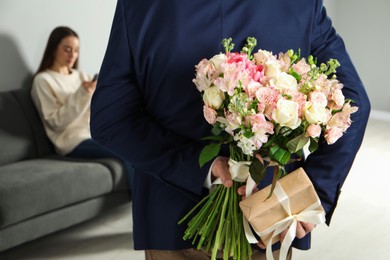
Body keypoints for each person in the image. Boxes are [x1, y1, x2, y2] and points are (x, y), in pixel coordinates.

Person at [90, 1, 371, 259]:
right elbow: (353, 102)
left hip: (171, 218)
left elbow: (110, 119)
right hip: (270, 213)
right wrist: (313, 193)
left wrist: (202, 167)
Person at [31, 26, 133, 190]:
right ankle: (140, 209)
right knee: (127, 153)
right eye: (67, 49)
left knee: (137, 145)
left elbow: (98, 110)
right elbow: (55, 122)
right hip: (72, 140)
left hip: (96, 132)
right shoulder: (43, 81)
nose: (73, 55)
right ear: (53, 49)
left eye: (76, 50)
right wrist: (83, 93)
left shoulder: (82, 76)